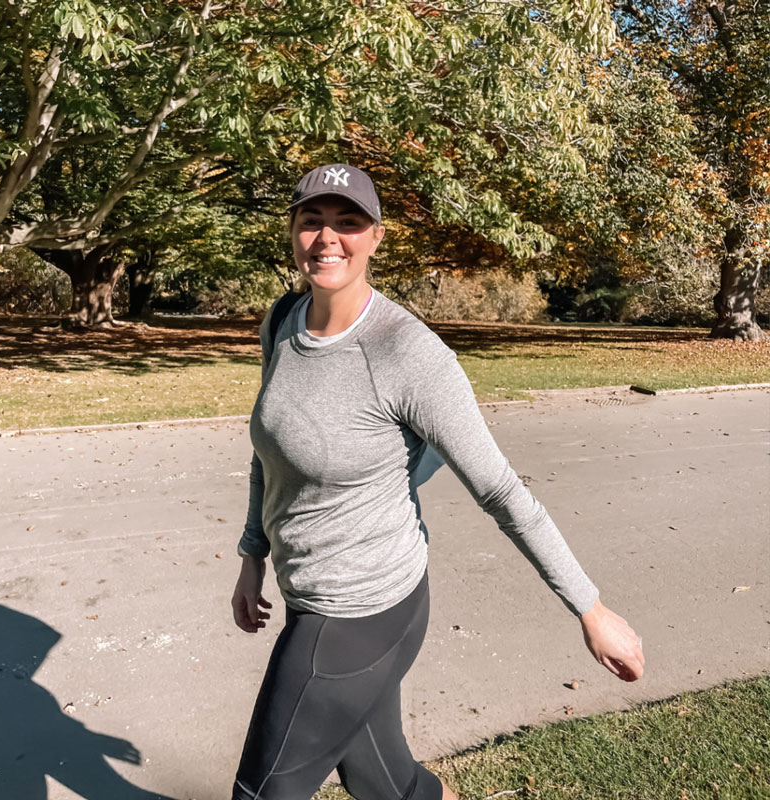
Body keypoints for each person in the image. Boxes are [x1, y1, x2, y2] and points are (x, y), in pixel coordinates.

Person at [230, 164, 645, 800]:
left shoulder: (409, 354)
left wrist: (591, 609)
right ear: (291, 231)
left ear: (376, 237)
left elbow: (503, 492)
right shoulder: (282, 322)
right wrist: (252, 557)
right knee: (385, 782)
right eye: (311, 220)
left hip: (363, 613)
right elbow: (270, 454)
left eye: (348, 223)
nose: (327, 238)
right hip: (307, 592)